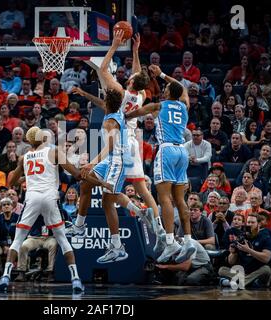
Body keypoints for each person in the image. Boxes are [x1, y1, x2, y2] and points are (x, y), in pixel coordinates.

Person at [72, 31, 165, 250]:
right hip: (134, 139)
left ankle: (117, 232)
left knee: (108, 194)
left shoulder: (119, 93)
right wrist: (135, 50)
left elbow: (103, 70)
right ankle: (158, 225)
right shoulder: (141, 95)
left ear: (131, 82)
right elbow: (138, 75)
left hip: (120, 141)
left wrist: (114, 45)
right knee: (142, 189)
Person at [0, 126, 105, 293]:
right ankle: (75, 279)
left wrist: (27, 177)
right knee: (62, 239)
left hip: (32, 198)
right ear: (44, 138)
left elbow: (12, 181)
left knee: (18, 240)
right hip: (49, 197)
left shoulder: (24, 157)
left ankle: (5, 276)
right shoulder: (54, 152)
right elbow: (76, 175)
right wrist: (101, 183)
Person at [125, 62, 195, 264]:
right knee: (180, 199)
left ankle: (171, 242)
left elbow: (134, 114)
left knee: (164, 198)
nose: (162, 90)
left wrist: (124, 114)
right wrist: (163, 74)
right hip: (182, 150)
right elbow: (181, 89)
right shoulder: (184, 105)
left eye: (164, 89)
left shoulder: (159, 106)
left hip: (166, 151)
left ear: (167, 94)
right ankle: (188, 240)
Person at [218, 213, 271, 288]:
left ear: (259, 224)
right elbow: (231, 262)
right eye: (248, 222)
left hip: (257, 271)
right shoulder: (241, 238)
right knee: (222, 270)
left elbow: (266, 259)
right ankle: (249, 282)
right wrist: (233, 253)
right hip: (244, 272)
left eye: (253, 222)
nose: (250, 224)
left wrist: (249, 250)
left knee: (267, 270)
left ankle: (232, 283)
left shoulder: (265, 238)